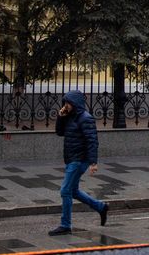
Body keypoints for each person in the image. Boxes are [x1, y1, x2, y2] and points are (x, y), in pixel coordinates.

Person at [49, 89, 108, 236]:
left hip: (79, 160)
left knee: (65, 190)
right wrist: (60, 117)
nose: (66, 105)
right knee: (73, 191)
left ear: (75, 102)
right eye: (65, 102)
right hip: (71, 158)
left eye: (68, 102)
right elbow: (60, 132)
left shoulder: (85, 118)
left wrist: (93, 163)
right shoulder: (69, 116)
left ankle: (65, 225)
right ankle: (101, 207)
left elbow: (92, 141)